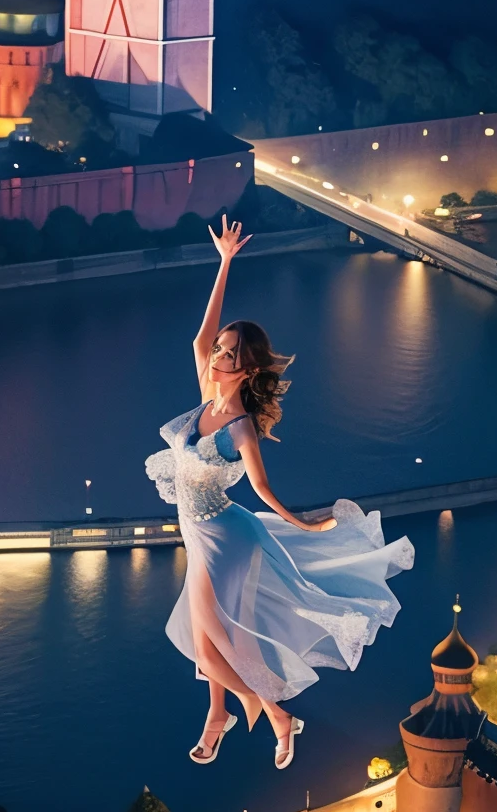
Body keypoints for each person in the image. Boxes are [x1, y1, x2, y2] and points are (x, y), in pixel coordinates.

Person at [148, 216, 413, 769]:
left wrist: (307, 525)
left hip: (226, 538)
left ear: (246, 370)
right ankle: (228, 715)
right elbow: (198, 336)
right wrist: (224, 262)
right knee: (216, 642)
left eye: (228, 355)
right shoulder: (206, 395)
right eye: (219, 351)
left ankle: (266, 708)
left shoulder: (239, 423)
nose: (217, 357)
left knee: (207, 647)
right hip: (202, 535)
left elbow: (264, 488)